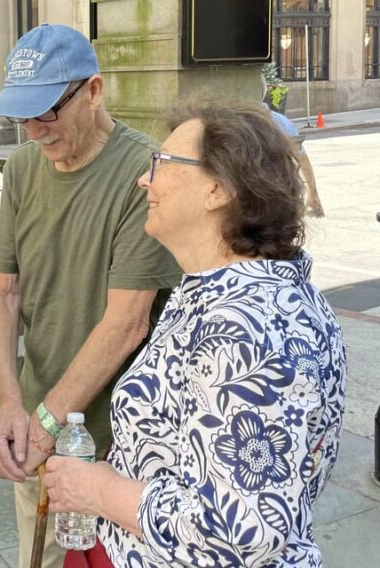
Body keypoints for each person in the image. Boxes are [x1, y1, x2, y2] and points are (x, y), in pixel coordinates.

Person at [43, 101, 347, 567]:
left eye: (161, 164)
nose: (144, 180)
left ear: (218, 190)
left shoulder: (244, 329)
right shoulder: (223, 294)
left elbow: (240, 531)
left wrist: (99, 490)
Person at [0, 24, 181, 568]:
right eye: (21, 115)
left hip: (115, 442)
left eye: (46, 112)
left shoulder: (144, 171)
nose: (33, 132)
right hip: (34, 422)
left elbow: (127, 323)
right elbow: (4, 290)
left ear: (93, 91)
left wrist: (47, 425)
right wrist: (9, 404)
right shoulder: (22, 168)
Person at [262, 77, 325, 217]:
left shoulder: (226, 123)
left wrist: (313, 195)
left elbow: (301, 158)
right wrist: (313, 194)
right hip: (281, 196)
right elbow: (302, 158)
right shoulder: (281, 121)